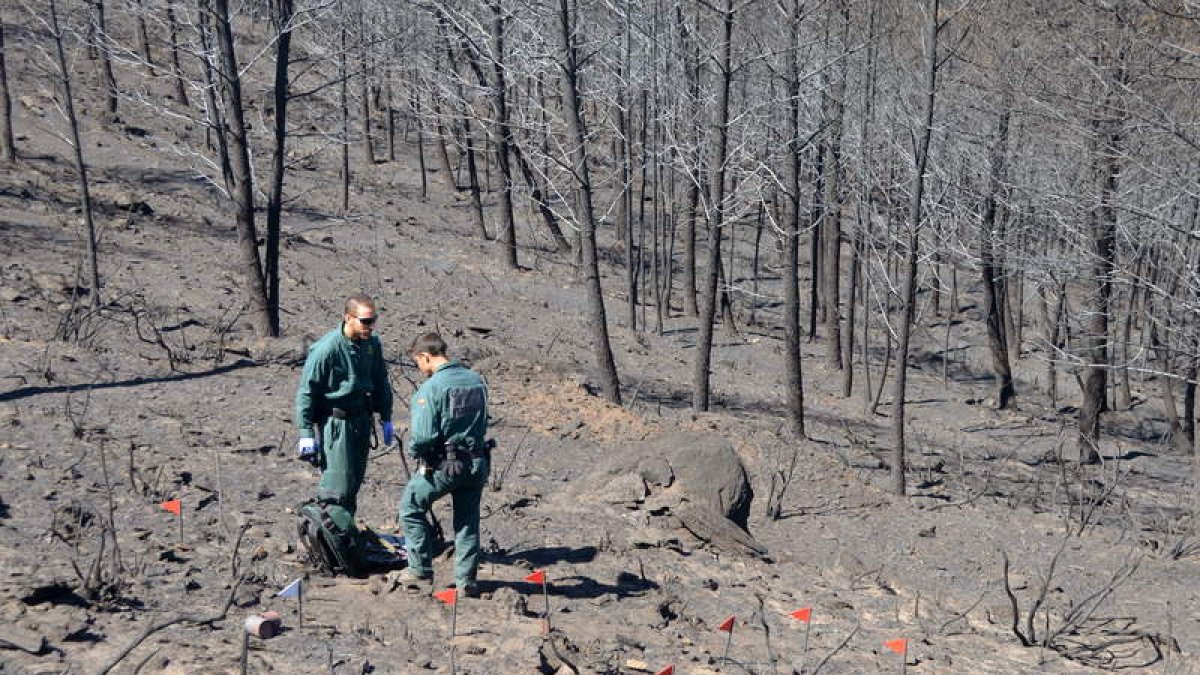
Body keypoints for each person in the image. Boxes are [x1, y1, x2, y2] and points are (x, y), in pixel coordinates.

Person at [399, 332, 490, 596]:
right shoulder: (476, 381)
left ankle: (419, 570)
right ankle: (466, 582)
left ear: (425, 356)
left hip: (445, 466)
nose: (420, 368)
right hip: (476, 462)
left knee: (410, 506)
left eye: (419, 362)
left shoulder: (431, 388)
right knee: (467, 522)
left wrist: (415, 450)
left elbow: (424, 436)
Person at [294, 296, 395, 519]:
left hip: (362, 420)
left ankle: (345, 535)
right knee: (337, 486)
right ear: (348, 318)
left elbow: (381, 381)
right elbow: (307, 392)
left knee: (354, 483)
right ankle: (330, 536)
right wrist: (306, 433)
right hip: (337, 423)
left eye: (373, 320)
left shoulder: (372, 344)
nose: (371, 326)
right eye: (365, 321)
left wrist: (386, 418)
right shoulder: (327, 349)